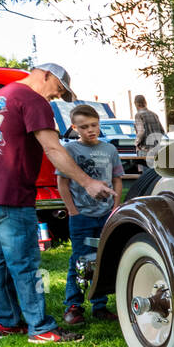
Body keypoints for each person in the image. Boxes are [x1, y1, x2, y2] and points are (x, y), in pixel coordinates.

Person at [0, 64, 115, 343]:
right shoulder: (32, 100)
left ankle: (6, 322)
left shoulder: (1, 96)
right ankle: (41, 327)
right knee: (26, 262)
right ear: (46, 75)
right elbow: (52, 148)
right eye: (58, 90)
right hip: (13, 195)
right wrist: (87, 182)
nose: (55, 97)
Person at [59, 104, 123, 325]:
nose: (90, 130)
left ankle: (100, 305)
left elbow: (117, 179)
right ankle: (74, 305)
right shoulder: (70, 151)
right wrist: (73, 211)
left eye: (94, 125)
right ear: (74, 128)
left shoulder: (110, 150)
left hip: (105, 214)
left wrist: (115, 207)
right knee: (79, 260)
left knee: (102, 259)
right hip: (82, 215)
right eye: (84, 127)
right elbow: (62, 182)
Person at [132, 94, 166, 159]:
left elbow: (141, 132)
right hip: (157, 150)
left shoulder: (138, 115)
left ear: (136, 104)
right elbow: (162, 131)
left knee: (145, 168)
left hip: (145, 150)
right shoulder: (154, 114)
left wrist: (136, 143)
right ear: (145, 102)